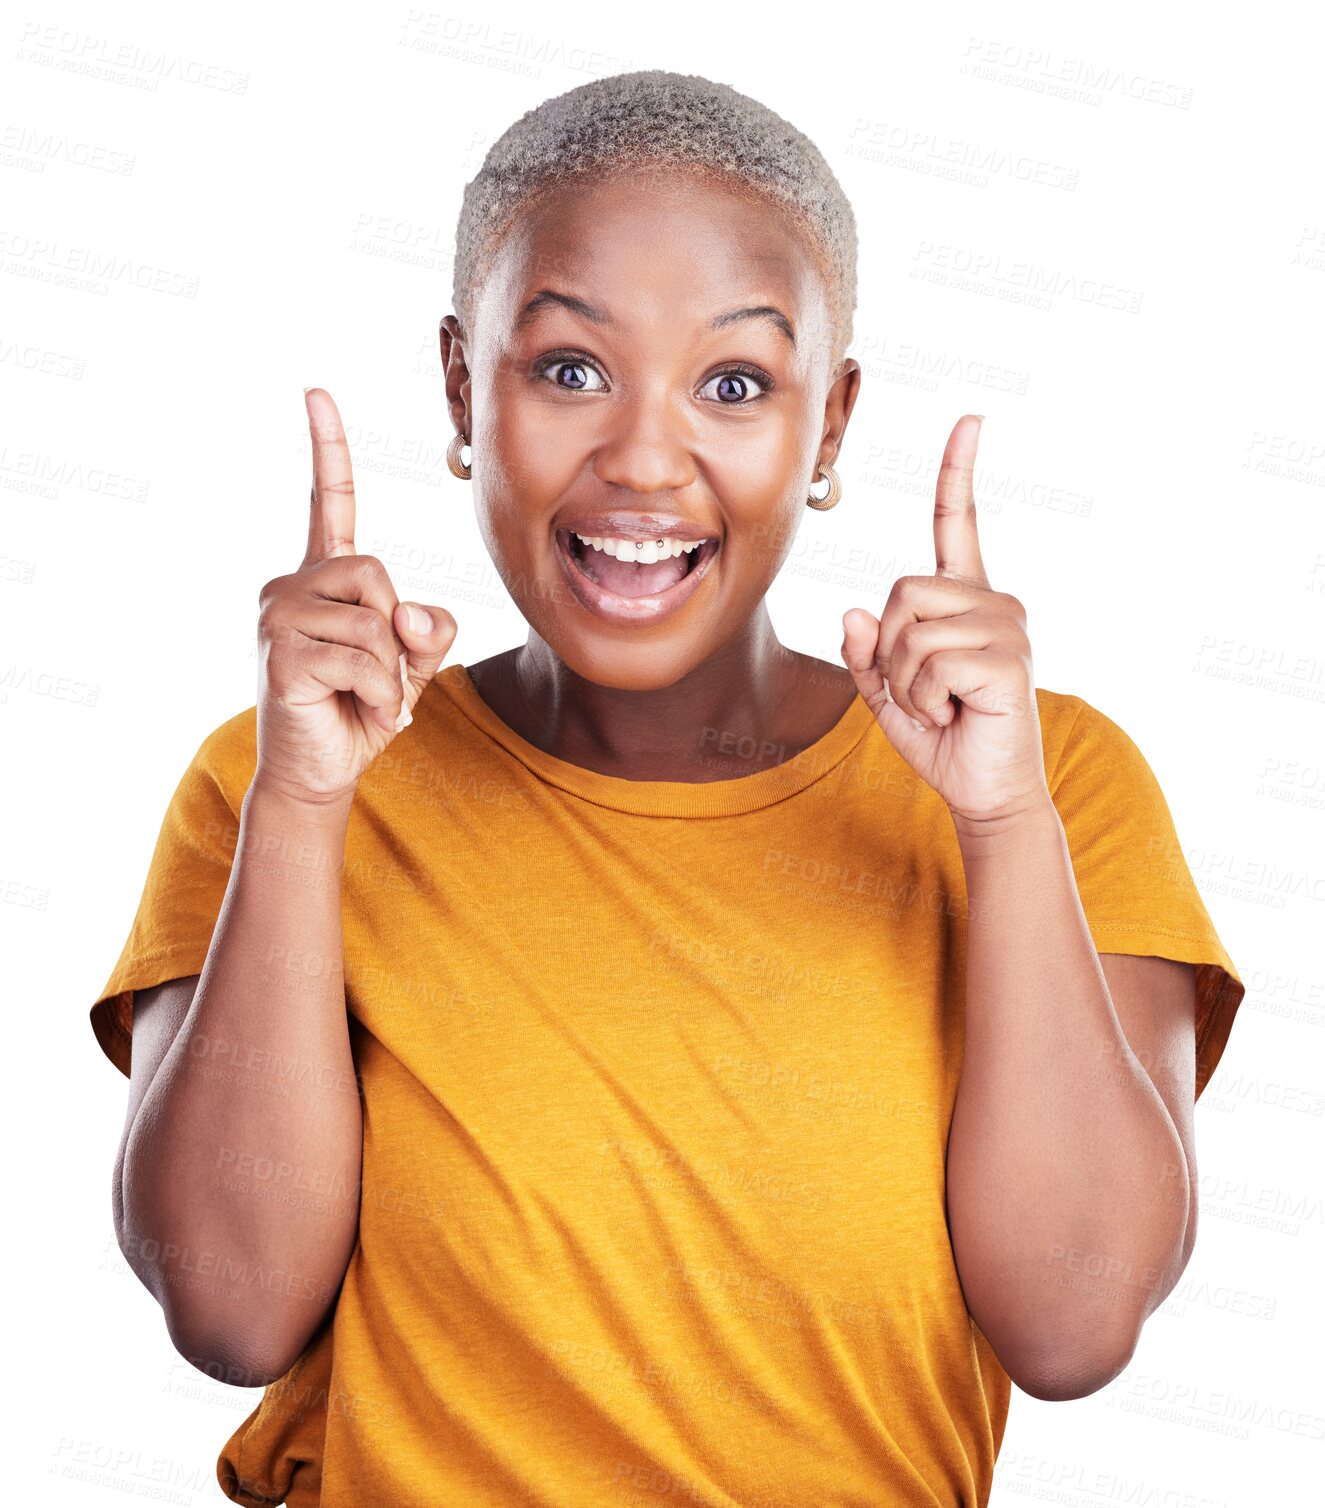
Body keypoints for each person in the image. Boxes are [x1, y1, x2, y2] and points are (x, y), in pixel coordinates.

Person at [90, 69, 1245, 1508]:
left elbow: (1074, 1325)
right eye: (569, 368)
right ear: (462, 387)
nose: (642, 458)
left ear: (828, 429)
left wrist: (1001, 828)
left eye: (737, 383)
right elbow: (229, 1308)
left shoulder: (1047, 779)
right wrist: (302, 811)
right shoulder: (284, 772)